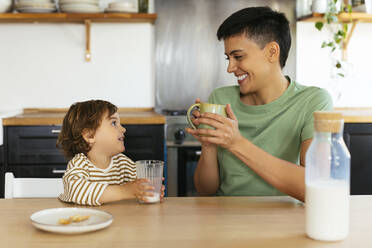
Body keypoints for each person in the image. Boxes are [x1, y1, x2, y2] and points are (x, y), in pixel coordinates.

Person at [186, 6, 332, 202]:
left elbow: (314, 188)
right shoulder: (220, 99)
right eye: (228, 58)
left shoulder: (313, 101)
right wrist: (209, 146)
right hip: (225, 221)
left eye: (238, 57)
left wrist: (236, 143)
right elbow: (206, 191)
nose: (230, 68)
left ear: (272, 52)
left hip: (284, 220)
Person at [57, 100, 165, 206]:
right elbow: (75, 191)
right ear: (90, 135)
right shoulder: (80, 164)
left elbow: (138, 185)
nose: (123, 129)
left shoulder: (122, 163)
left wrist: (147, 189)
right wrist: (125, 191)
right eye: (114, 123)